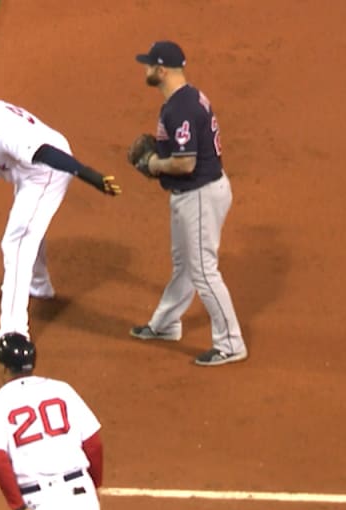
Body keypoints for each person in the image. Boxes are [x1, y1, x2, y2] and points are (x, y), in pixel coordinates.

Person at [0, 92, 121, 352]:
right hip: (25, 169)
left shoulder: (2, 131)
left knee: (16, 243)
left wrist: (91, 176)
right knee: (30, 227)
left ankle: (13, 332)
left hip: (47, 169)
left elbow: (45, 154)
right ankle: (39, 285)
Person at [128, 40, 248, 367]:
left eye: (149, 64)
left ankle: (230, 344)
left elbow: (185, 163)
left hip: (199, 194)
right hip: (195, 193)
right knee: (184, 265)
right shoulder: (188, 97)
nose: (146, 68)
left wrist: (154, 164)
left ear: (162, 69)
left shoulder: (179, 108)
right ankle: (165, 324)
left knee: (204, 272)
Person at [0, 332, 115, 510]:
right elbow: (93, 443)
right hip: (79, 491)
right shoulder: (62, 390)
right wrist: (93, 486)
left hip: (37, 502)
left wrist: (17, 505)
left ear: (3, 366)